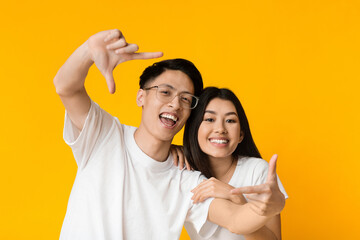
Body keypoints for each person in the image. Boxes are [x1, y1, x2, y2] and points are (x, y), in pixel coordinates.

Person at [53, 29, 285, 240]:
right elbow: (66, 87)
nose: (175, 104)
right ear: (141, 97)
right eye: (165, 92)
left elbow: (235, 220)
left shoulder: (186, 179)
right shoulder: (104, 135)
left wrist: (267, 208)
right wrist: (87, 51)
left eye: (185, 99)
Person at [176, 87, 288, 239]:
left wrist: (238, 200)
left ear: (241, 134)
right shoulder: (184, 173)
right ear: (194, 129)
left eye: (230, 120)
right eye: (209, 119)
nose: (220, 129)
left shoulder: (257, 170)